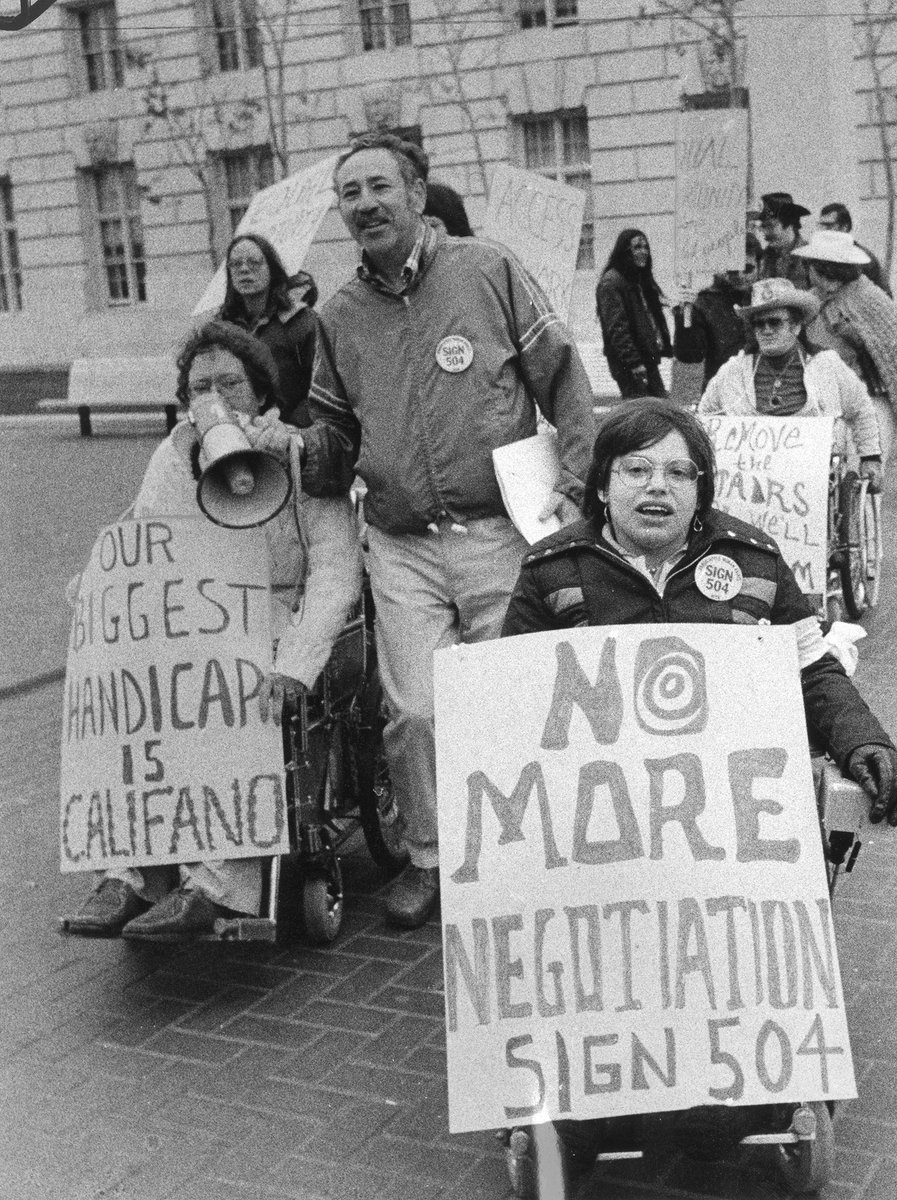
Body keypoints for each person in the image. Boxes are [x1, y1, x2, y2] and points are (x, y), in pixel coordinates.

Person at [501, 397, 897, 1169]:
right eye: (635, 469)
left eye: (678, 471)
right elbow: (506, 702)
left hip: (723, 825)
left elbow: (812, 667)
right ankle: (587, 1095)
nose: (656, 487)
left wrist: (863, 741)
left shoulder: (752, 563)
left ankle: (752, 1087)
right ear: (600, 484)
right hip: (602, 831)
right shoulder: (553, 570)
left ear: (702, 488)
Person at [254, 131, 595, 929]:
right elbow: (336, 440)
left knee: (521, 700)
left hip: (501, 532)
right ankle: (429, 860)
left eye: (379, 187)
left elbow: (564, 384)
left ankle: (530, 852)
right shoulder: (337, 316)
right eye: (350, 194)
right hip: (402, 545)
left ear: (415, 193)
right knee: (414, 712)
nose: (365, 204)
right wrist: (287, 446)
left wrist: (578, 486)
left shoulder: (487, 270)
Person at [62, 321, 363, 940]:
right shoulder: (172, 458)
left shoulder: (296, 450)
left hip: (276, 623)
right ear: (185, 401)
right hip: (189, 628)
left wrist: (297, 664)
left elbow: (336, 571)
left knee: (230, 696)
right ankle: (130, 873)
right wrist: (95, 594)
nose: (216, 395)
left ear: (261, 393)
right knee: (131, 696)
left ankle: (219, 886)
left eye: (230, 381)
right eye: (201, 386)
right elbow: (139, 540)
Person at [794, 230, 897, 480]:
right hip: (824, 400)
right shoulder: (810, 303)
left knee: (864, 478)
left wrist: (858, 339)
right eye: (815, 268)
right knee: (827, 481)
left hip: (869, 397)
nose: (818, 275)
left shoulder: (870, 298)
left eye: (823, 268)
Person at [698, 276, 883, 490]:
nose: (766, 330)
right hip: (748, 487)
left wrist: (870, 457)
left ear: (796, 326)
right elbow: (706, 416)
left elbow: (861, 410)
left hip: (815, 488)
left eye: (775, 322)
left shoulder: (826, 366)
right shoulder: (734, 372)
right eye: (759, 324)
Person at [219, 233, 319, 428]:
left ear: (271, 269)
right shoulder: (222, 327)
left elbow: (324, 390)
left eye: (254, 263)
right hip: (237, 432)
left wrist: (288, 424)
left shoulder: (301, 322)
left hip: (293, 434)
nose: (244, 269)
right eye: (235, 264)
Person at [672, 232, 763, 390]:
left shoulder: (769, 298)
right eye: (733, 270)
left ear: (760, 266)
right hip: (721, 389)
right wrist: (684, 316)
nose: (740, 276)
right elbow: (689, 356)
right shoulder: (705, 302)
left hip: (761, 387)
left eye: (748, 269)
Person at [596, 228, 673, 398]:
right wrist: (634, 363)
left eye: (646, 247)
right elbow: (617, 328)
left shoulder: (636, 281)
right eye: (637, 247)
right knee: (643, 413)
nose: (643, 251)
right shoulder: (612, 283)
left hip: (645, 360)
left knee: (658, 409)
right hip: (631, 364)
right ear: (625, 251)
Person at [818, 202, 890, 295]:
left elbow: (885, 295)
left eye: (829, 226)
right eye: (821, 225)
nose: (823, 230)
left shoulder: (863, 258)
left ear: (844, 227)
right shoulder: (819, 256)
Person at [758, 192, 811, 290]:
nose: (765, 234)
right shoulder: (763, 258)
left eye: (770, 226)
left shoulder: (811, 258)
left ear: (789, 223)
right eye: (763, 227)